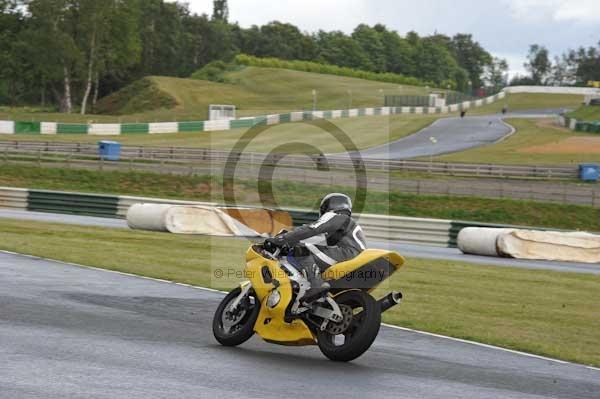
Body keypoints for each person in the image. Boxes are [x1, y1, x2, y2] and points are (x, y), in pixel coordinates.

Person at [264, 193, 367, 302]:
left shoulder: (335, 216)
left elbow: (311, 229)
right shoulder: (346, 222)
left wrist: (281, 239)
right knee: (310, 250)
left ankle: (315, 284)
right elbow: (318, 241)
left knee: (301, 249)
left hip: (347, 253)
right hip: (354, 256)